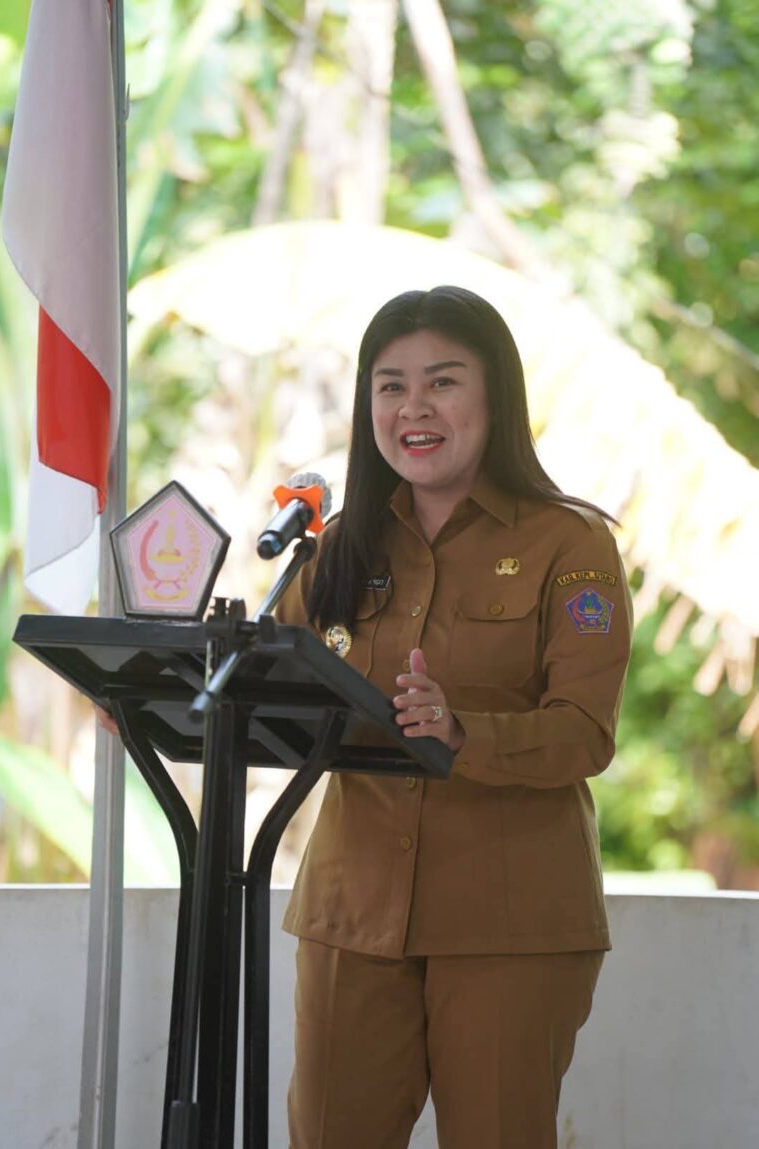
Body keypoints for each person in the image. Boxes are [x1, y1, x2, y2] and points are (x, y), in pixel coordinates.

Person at [272, 285, 633, 1149]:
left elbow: (585, 729)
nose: (414, 408)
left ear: (496, 396)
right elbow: (271, 678)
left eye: (442, 381)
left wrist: (464, 731)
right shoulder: (334, 546)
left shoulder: (570, 544)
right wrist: (154, 692)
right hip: (353, 916)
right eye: (390, 386)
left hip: (510, 923)